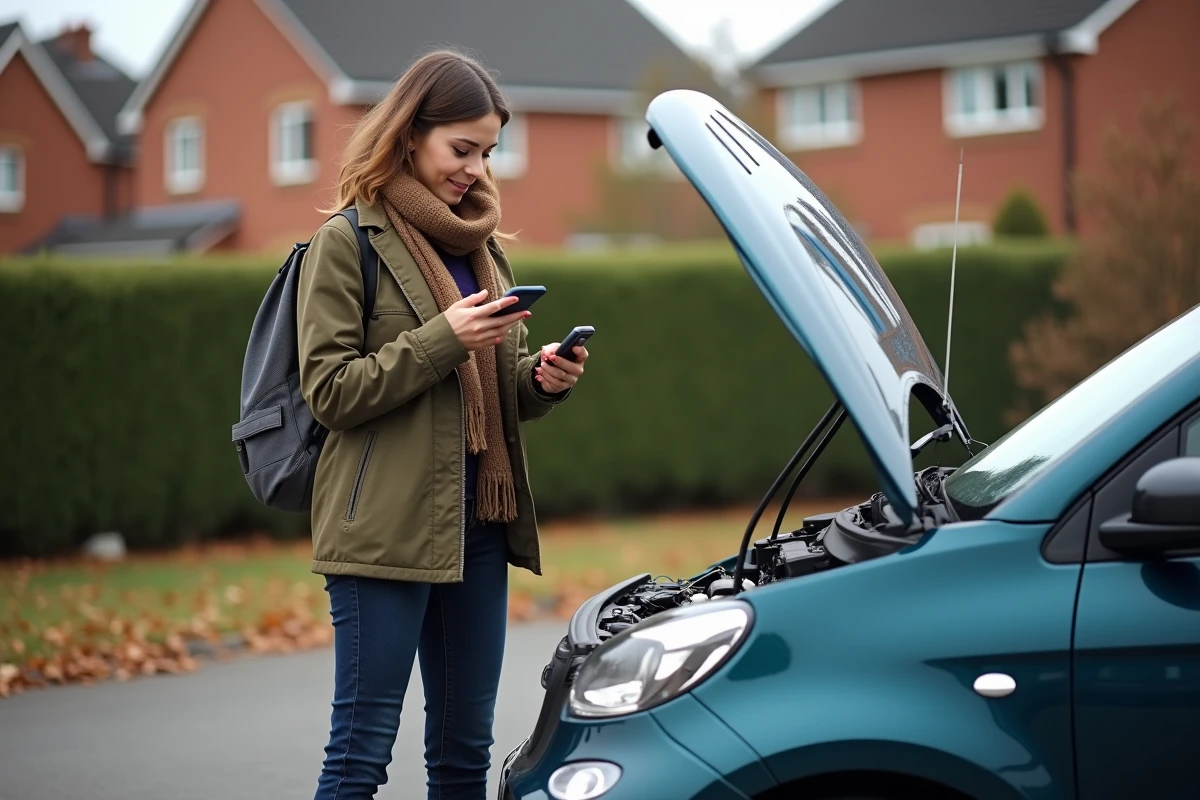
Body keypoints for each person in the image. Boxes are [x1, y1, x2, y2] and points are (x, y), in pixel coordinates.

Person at [296, 49, 588, 800]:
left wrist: (540, 380)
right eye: (462, 149)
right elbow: (330, 392)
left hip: (480, 525)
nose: (477, 168)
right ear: (409, 134)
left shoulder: (481, 247)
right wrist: (442, 340)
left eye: (487, 151)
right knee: (360, 754)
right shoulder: (345, 244)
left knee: (464, 754)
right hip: (382, 533)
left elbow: (484, 392)